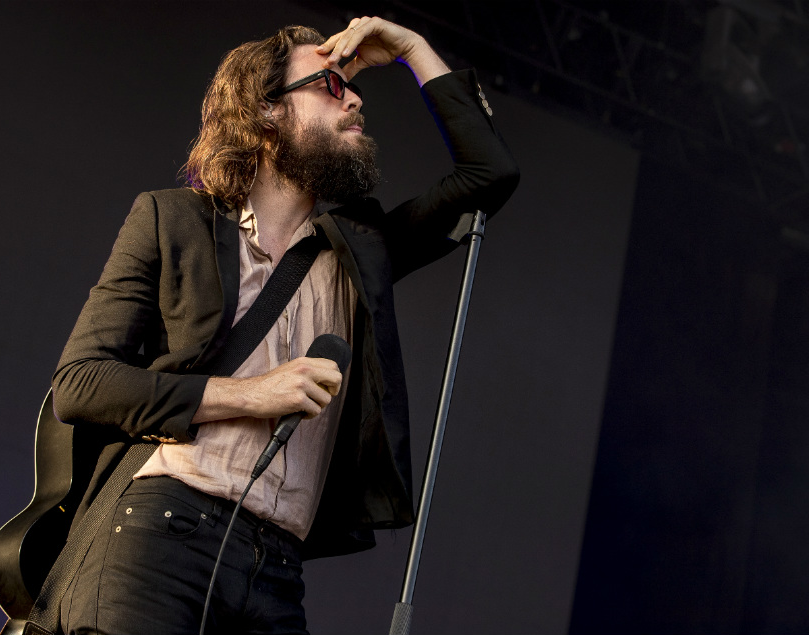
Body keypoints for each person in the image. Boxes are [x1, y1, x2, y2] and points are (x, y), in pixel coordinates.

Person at [52, 15, 519, 635]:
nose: (355, 99)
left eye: (353, 88)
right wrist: (251, 394)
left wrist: (413, 49)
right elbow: (81, 384)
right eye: (330, 84)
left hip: (277, 570)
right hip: (158, 535)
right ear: (265, 111)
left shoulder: (360, 252)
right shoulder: (173, 220)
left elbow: (490, 173)